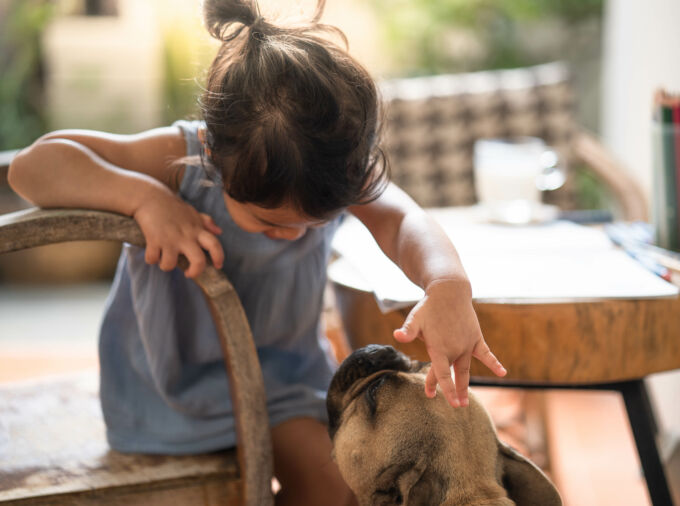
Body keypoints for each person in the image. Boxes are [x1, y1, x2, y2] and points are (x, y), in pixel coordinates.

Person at [8, 0, 507, 504]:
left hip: (284, 383)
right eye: (270, 223)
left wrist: (447, 284)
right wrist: (144, 198)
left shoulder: (332, 169)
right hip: (169, 394)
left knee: (336, 491)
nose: (293, 236)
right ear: (213, 157)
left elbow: (404, 220)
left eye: (313, 224)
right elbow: (32, 168)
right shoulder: (183, 163)